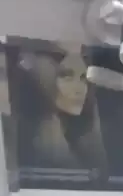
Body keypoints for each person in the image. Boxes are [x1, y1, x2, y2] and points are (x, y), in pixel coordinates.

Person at [10, 43, 107, 174]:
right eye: (67, 77)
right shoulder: (38, 142)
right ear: (46, 81)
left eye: (83, 78)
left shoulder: (89, 135)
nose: (79, 89)